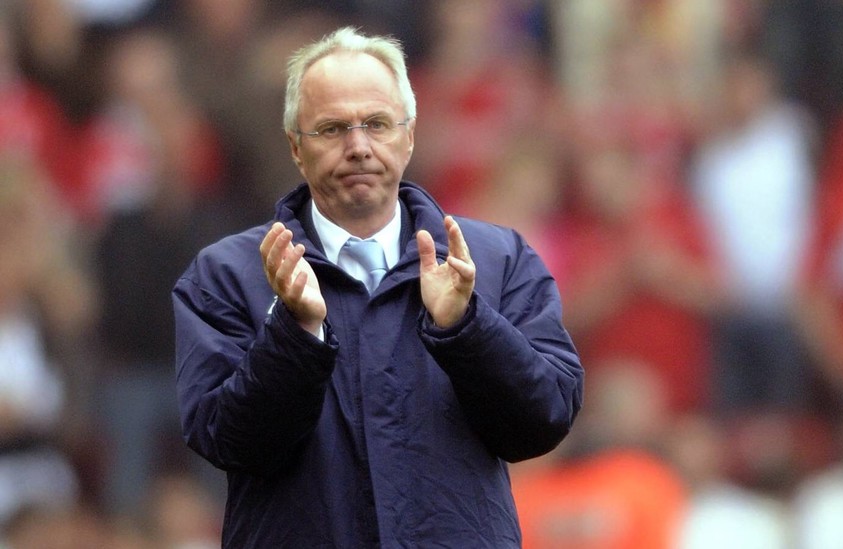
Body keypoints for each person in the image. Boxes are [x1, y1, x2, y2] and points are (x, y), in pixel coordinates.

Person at [172, 26, 584, 547]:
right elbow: (226, 442)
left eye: (377, 124)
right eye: (332, 128)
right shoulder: (227, 275)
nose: (359, 146)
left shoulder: (497, 260)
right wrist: (295, 334)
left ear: (408, 137)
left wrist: (466, 327)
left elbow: (545, 419)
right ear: (295, 148)